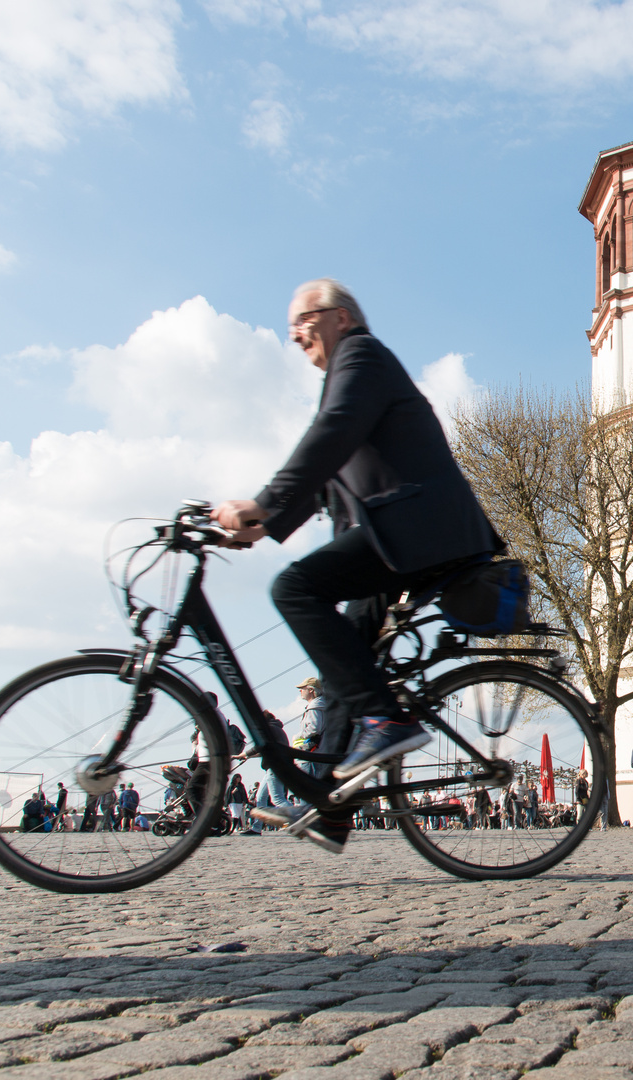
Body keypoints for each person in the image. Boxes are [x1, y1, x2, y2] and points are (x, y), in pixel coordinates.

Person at [216, 279, 504, 854]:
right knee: (347, 656)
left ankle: (386, 721)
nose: (294, 334)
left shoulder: (362, 356)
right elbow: (326, 474)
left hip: (415, 529)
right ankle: (331, 807)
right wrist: (265, 524)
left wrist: (264, 504)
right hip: (400, 534)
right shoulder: (346, 373)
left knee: (294, 589)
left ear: (340, 317)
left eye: (302, 319)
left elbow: (332, 433)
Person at [294, 677, 328, 779]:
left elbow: (314, 728)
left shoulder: (315, 707)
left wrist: (297, 736)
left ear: (311, 690)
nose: (300, 690)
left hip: (311, 754)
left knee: (306, 788)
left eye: (303, 688)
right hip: (319, 753)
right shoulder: (321, 705)